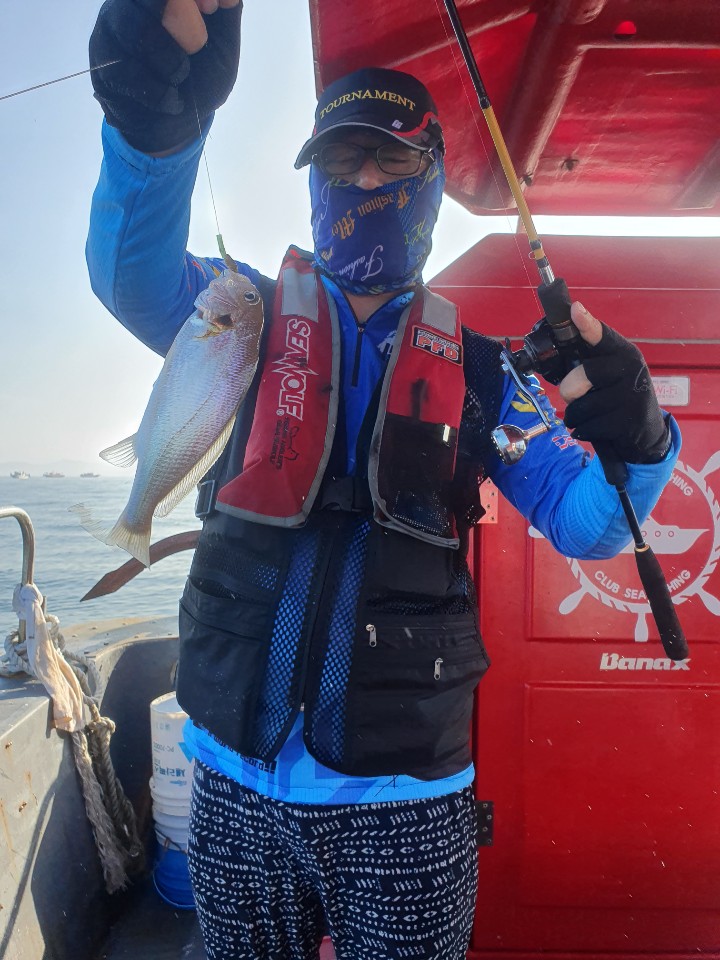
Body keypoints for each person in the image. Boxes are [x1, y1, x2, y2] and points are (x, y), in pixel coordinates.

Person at [87, 2, 680, 958]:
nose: (363, 179)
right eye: (341, 159)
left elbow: (589, 524)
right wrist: (154, 123)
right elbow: (130, 274)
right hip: (231, 775)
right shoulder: (241, 317)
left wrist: (642, 438)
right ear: (314, 182)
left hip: (407, 802)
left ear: (430, 178)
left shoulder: (485, 373)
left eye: (391, 160)